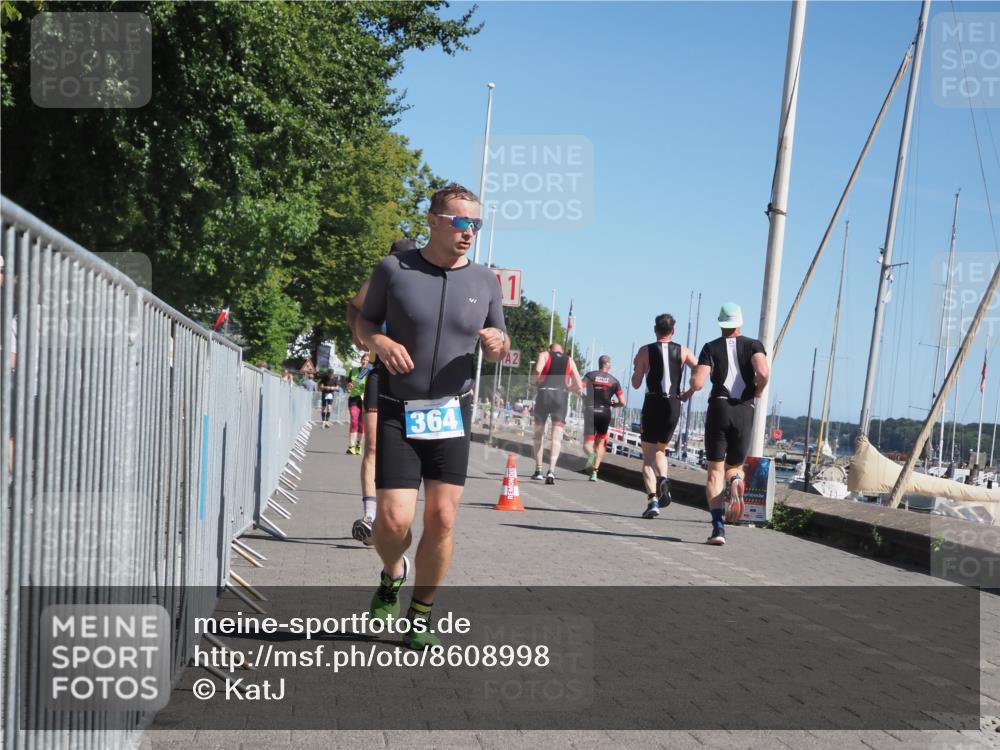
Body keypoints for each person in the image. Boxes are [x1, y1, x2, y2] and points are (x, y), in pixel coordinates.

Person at [357, 183, 508, 649]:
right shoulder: (393, 270)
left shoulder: (485, 280)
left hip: (451, 413)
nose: (469, 232)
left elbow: (502, 340)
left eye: (476, 224)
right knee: (392, 522)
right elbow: (361, 320)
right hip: (399, 410)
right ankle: (392, 572)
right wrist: (377, 341)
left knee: (442, 520)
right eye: (461, 222)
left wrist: (498, 345)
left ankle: (421, 613)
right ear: (433, 220)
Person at [346, 238, 418, 546]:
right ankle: (370, 516)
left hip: (415, 382)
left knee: (409, 452)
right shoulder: (376, 282)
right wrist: (357, 334)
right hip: (379, 375)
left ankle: (395, 518)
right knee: (373, 447)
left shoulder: (423, 285)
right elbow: (353, 306)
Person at [689, 302, 769, 546]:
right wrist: (757, 391)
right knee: (734, 467)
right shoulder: (754, 345)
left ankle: (718, 528)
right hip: (744, 410)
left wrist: (693, 382)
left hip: (720, 408)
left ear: (720, 323)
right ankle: (735, 480)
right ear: (740, 322)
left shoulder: (710, 347)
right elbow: (763, 373)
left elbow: (698, 383)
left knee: (715, 471)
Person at [631, 314, 699, 519]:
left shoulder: (645, 351)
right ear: (673, 331)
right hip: (673, 403)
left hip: (653, 402)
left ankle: (652, 500)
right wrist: (689, 392)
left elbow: (635, 383)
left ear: (655, 330)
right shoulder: (684, 351)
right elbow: (700, 370)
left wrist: (638, 367)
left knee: (647, 457)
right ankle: (664, 478)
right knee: (660, 449)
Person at [530, 343, 584, 484]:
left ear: (550, 349)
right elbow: (579, 385)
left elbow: (537, 370)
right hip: (560, 398)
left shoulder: (544, 355)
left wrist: (533, 383)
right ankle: (552, 471)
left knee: (538, 435)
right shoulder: (569, 360)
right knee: (556, 438)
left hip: (544, 395)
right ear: (562, 351)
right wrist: (568, 388)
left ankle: (538, 470)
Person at [581, 355, 625, 482]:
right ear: (609, 365)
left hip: (591, 410)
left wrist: (584, 398)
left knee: (587, 445)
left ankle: (591, 456)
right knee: (601, 443)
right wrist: (614, 404)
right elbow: (622, 402)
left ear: (599, 363)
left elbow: (579, 388)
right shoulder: (614, 381)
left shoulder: (590, 375)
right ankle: (594, 472)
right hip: (605, 413)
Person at [345, 353, 372, 455]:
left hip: (366, 399)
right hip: (354, 398)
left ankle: (358, 445)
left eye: (367, 360)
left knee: (361, 424)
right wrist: (349, 387)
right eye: (363, 359)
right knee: (354, 420)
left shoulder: (370, 372)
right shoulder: (354, 371)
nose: (364, 361)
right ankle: (351, 446)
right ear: (361, 360)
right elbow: (348, 385)